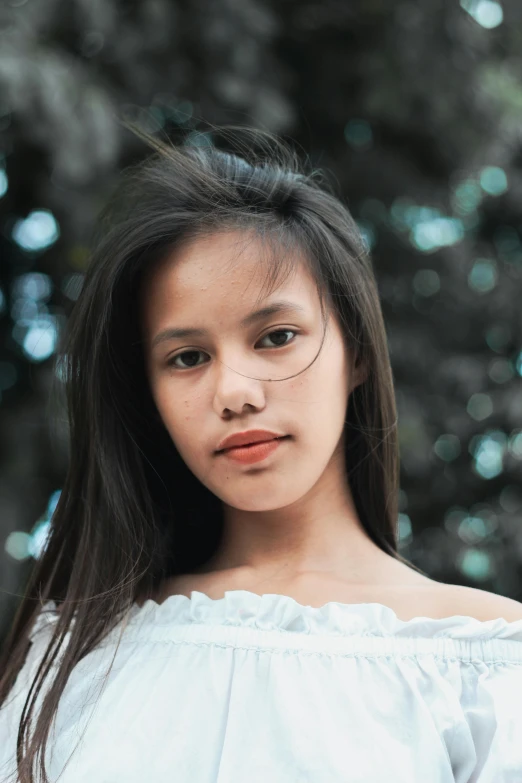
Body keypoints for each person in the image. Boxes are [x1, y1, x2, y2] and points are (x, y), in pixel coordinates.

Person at [0, 127, 521, 783]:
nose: (234, 393)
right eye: (187, 357)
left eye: (275, 336)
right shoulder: (78, 655)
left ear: (355, 351)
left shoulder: (485, 668)